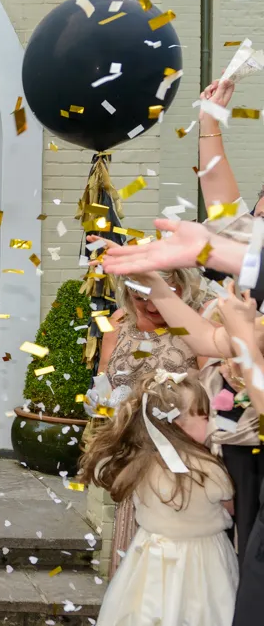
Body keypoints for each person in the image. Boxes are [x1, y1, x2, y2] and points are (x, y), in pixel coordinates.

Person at [79, 370, 238, 626]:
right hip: (203, 559)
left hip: (151, 554)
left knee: (146, 609)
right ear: (178, 423)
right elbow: (230, 506)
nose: (211, 424)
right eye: (205, 417)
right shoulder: (209, 468)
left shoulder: (139, 464)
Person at [83, 260, 205, 577]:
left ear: (181, 290)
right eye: (140, 297)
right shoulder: (119, 321)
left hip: (177, 456)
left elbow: (210, 389)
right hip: (130, 452)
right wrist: (98, 399)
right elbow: (104, 377)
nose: (149, 306)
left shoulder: (197, 325)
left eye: (160, 297)